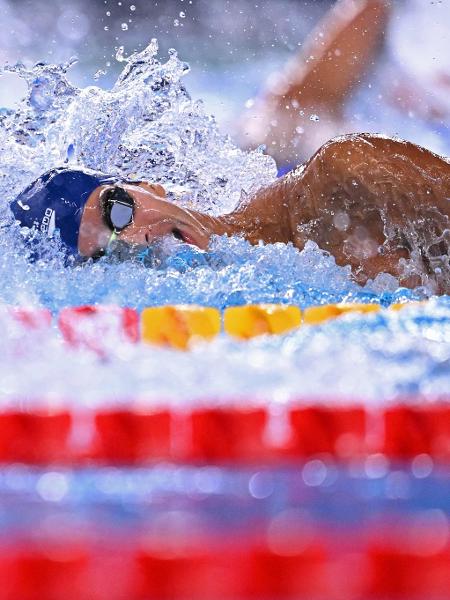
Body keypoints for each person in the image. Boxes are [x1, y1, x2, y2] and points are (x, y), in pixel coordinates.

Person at [10, 133, 450, 293]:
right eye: (107, 254)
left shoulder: (341, 177)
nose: (135, 241)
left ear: (146, 185)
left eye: (120, 213)